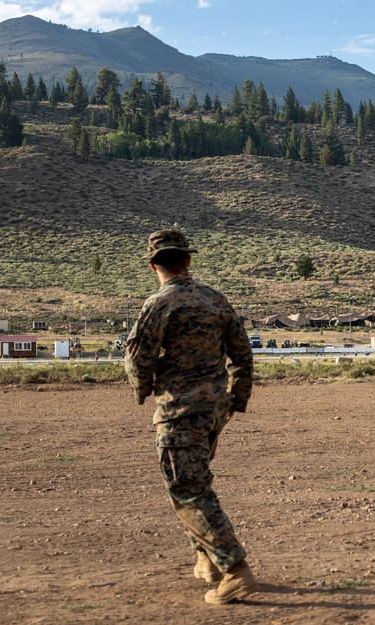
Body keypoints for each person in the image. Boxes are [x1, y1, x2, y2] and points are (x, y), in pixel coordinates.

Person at [124, 229, 259, 605]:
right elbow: (243, 355)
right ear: (187, 260)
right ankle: (207, 560)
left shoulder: (159, 304)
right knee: (191, 481)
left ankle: (235, 571)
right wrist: (236, 400)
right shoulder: (215, 299)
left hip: (179, 410)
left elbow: (138, 358)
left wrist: (142, 389)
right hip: (214, 409)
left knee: (188, 487)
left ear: (154, 265)